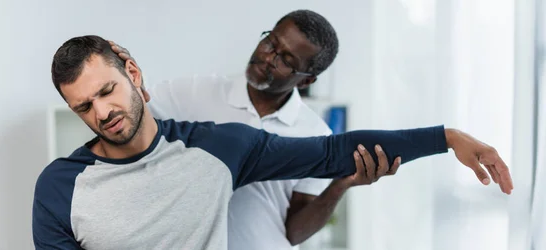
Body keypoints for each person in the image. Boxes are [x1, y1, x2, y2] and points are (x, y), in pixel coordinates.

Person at [32, 34, 513, 250]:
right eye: (83, 108)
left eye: (107, 92)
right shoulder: (59, 186)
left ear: (132, 75)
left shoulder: (219, 149)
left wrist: (447, 137)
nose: (102, 114)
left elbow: (331, 152)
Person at [109, 9, 395, 250]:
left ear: (306, 81)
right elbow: (135, 114)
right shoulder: (193, 93)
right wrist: (121, 75)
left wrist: (339, 186)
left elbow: (294, 232)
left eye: (286, 60)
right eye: (271, 42)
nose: (268, 57)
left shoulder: (315, 133)